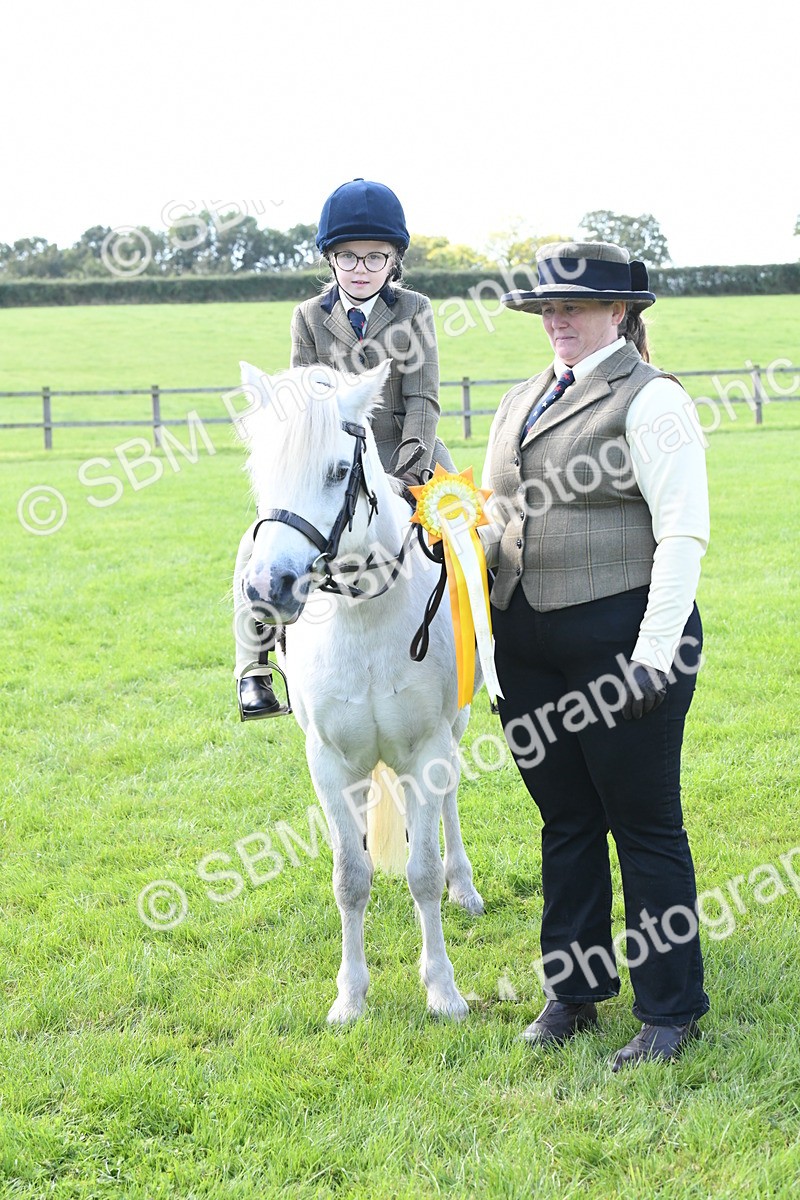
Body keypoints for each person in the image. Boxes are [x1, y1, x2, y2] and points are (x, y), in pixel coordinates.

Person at [481, 240, 710, 1070]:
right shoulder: (520, 398)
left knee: (643, 826)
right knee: (566, 821)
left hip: (624, 642)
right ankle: (574, 991)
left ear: (621, 312)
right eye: (549, 306)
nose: (559, 319)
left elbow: (683, 530)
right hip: (528, 647)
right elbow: (495, 515)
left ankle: (670, 1011)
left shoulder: (651, 401)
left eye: (576, 305)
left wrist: (655, 654)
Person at [234, 178, 454, 719]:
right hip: (331, 461)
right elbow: (298, 398)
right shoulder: (308, 316)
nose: (361, 267)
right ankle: (254, 669)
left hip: (409, 452)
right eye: (348, 256)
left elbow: (423, 399)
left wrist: (405, 476)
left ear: (394, 260)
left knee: (479, 538)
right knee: (253, 545)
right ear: (330, 259)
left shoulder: (415, 309)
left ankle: (492, 658)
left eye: (374, 257)